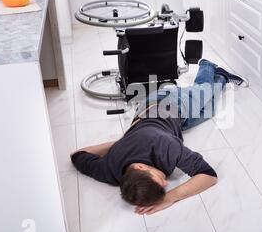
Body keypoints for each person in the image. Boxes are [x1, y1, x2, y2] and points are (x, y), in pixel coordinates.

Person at [70, 60, 248, 215]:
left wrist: (171, 197)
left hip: (167, 103)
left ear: (140, 167)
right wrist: (122, 144)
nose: (165, 182)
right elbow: (77, 155)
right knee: (208, 111)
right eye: (164, 185)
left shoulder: (165, 147)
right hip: (166, 121)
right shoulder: (108, 171)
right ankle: (222, 77)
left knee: (202, 91)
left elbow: (209, 176)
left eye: (158, 179)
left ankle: (207, 66)